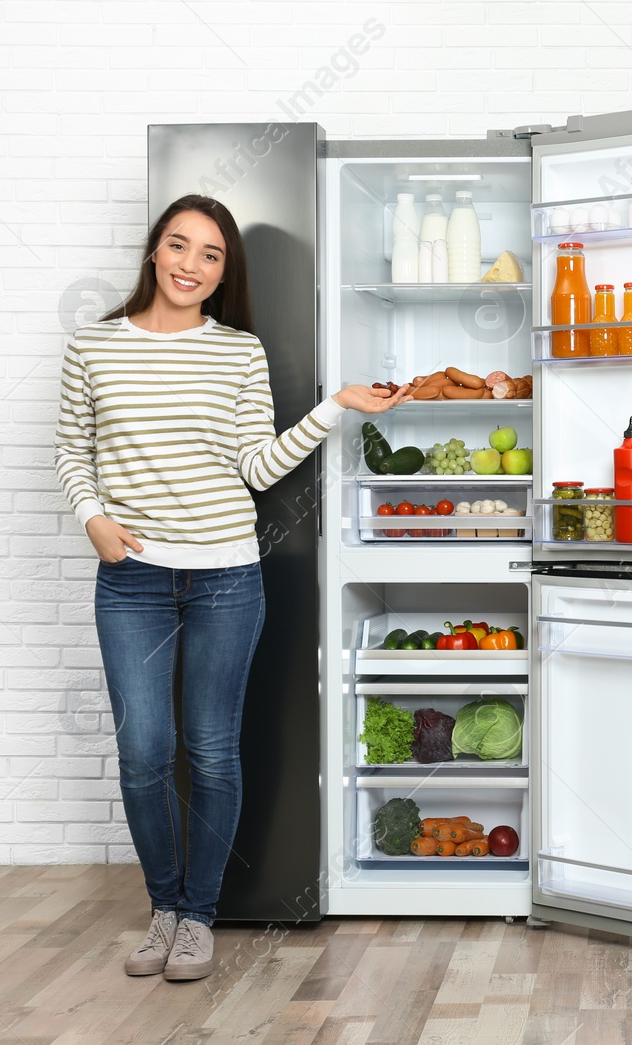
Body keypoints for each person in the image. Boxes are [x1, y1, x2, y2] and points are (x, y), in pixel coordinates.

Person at [53, 194, 411, 982]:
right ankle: (163, 906)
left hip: (226, 575)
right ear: (154, 253)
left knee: (212, 751)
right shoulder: (93, 346)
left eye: (209, 254)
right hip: (130, 579)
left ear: (223, 272)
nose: (190, 264)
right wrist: (92, 518)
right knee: (145, 751)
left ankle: (198, 916)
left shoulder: (239, 352)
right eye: (178, 246)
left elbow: (255, 466)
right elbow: (72, 449)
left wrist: (336, 407)